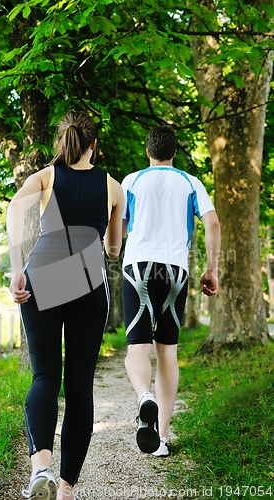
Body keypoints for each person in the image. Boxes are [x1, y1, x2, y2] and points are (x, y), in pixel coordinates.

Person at [7, 110, 124, 500]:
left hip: (42, 274)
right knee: (78, 388)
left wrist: (15, 268)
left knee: (44, 377)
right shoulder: (113, 187)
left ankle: (40, 466)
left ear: (61, 142)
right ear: (95, 145)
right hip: (88, 281)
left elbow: (13, 210)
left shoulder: (45, 176)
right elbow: (112, 248)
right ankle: (67, 489)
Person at [121, 125, 221, 457]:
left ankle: (143, 398)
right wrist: (211, 269)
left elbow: (118, 229)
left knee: (137, 347)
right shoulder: (191, 182)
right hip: (175, 270)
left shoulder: (131, 181)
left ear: (147, 151)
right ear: (174, 152)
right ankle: (161, 439)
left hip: (137, 267)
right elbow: (213, 222)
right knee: (168, 352)